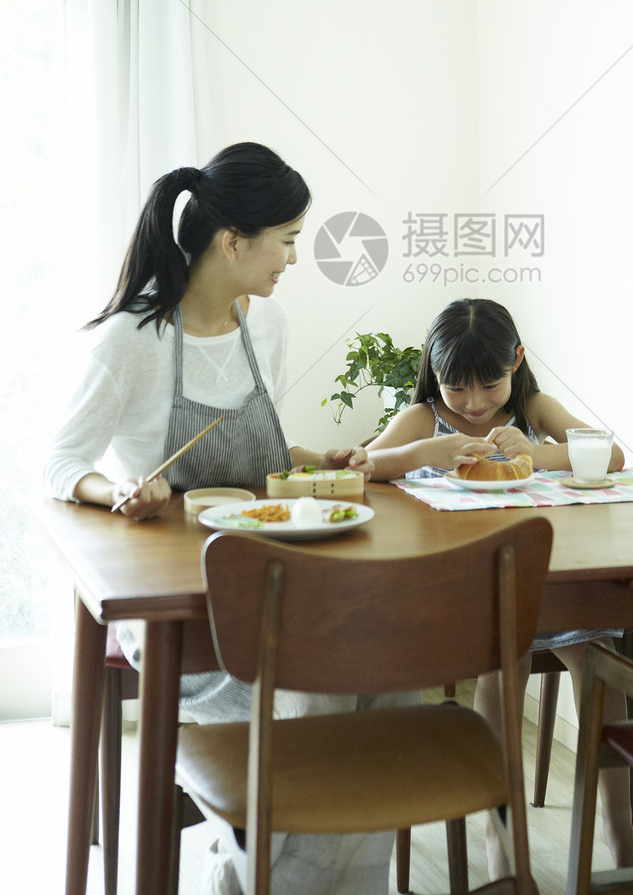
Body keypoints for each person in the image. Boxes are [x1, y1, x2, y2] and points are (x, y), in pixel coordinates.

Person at [44, 142, 408, 895]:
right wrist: (115, 492)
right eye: (287, 242)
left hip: (276, 578)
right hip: (178, 606)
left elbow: (265, 457)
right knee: (320, 693)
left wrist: (326, 458)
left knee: (387, 680)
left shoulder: (265, 328)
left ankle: (272, 878)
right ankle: (264, 875)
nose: (293, 261)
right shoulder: (134, 339)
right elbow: (57, 463)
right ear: (232, 241)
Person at [365, 298, 633, 877]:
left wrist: (540, 454)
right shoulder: (425, 418)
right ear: (434, 372)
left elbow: (611, 455)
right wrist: (425, 452)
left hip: (549, 581)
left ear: (517, 361)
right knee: (502, 657)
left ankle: (620, 835)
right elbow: (364, 466)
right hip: (466, 592)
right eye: (456, 388)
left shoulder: (533, 408)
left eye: (489, 385)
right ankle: (503, 846)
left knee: (599, 660)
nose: (473, 404)